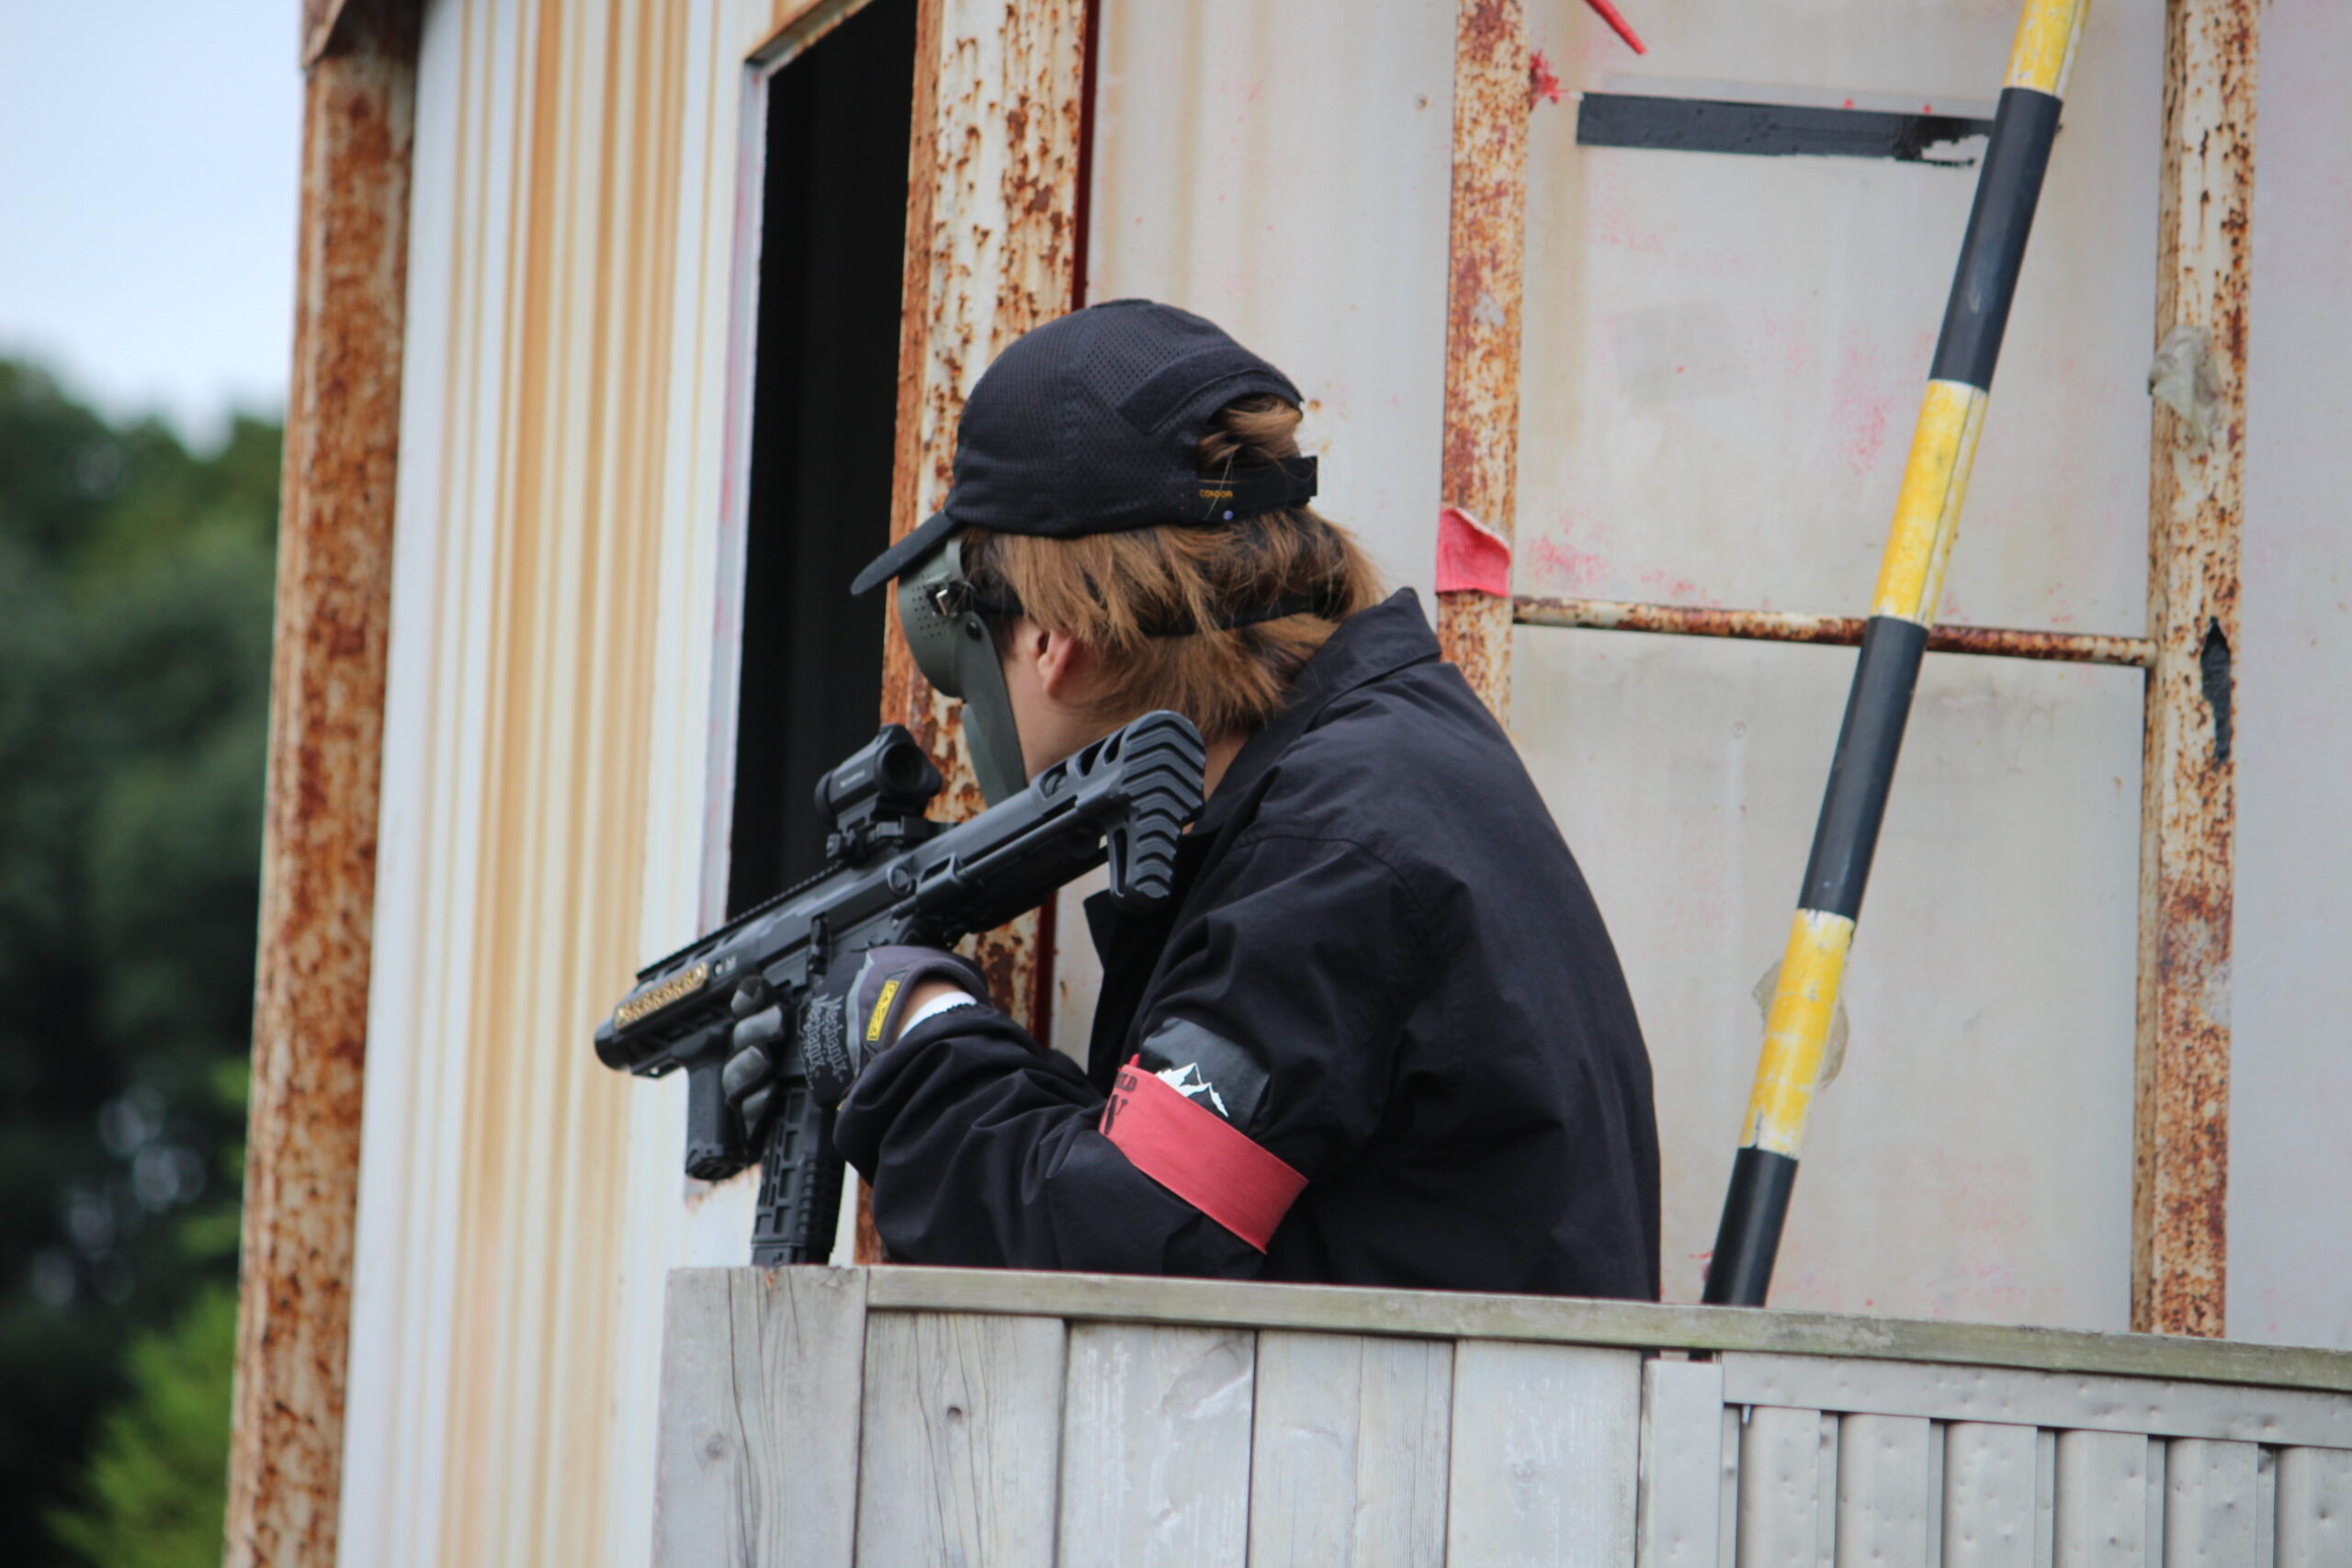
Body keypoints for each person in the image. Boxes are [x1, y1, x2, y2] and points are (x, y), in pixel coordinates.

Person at [724, 299, 1661, 1297]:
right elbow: (1168, 1181)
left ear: (1052, 640)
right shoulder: (1378, 771)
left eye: (969, 654)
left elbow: (1120, 1244)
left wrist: (914, 1028)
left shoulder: (1332, 848)